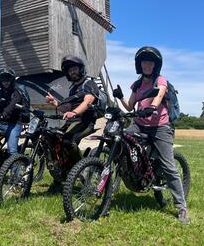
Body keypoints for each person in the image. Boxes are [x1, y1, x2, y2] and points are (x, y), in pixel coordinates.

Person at [112, 46, 190, 224]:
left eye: (150, 62)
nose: (147, 64)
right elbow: (130, 107)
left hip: (160, 126)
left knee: (169, 166)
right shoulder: (137, 84)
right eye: (144, 61)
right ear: (139, 65)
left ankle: (181, 207)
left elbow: (160, 91)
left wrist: (153, 107)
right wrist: (120, 96)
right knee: (119, 139)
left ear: (156, 65)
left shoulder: (160, 79)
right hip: (140, 124)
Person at [45, 55, 99, 192]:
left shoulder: (89, 83)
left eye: (74, 69)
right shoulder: (72, 89)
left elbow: (87, 101)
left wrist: (74, 113)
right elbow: (67, 108)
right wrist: (55, 103)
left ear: (81, 69)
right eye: (69, 71)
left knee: (69, 141)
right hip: (73, 122)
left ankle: (84, 169)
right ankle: (58, 178)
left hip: (86, 122)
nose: (72, 72)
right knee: (53, 140)